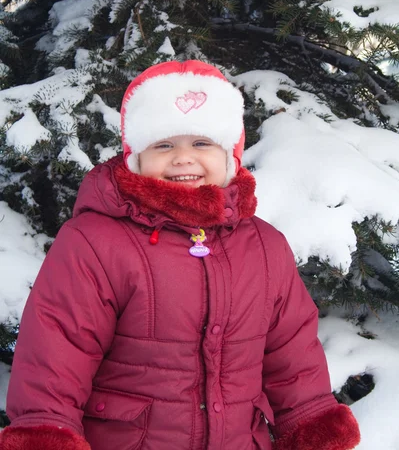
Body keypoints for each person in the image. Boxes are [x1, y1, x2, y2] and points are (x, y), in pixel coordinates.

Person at [0, 60, 360, 450]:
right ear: (135, 157)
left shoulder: (265, 247)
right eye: (164, 144)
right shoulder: (95, 243)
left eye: (202, 143)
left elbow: (293, 355)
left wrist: (312, 426)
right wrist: (47, 432)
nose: (183, 158)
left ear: (230, 155)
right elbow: (58, 347)